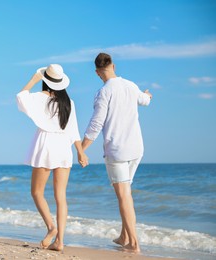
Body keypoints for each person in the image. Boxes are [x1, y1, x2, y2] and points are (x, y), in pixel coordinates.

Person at [82, 53, 152, 253]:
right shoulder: (130, 85)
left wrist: (81, 149)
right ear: (113, 65)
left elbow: (96, 124)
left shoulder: (103, 92)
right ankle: (124, 236)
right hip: (136, 148)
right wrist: (147, 95)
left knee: (123, 196)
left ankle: (134, 244)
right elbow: (144, 100)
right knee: (126, 194)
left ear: (97, 72)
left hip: (117, 151)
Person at [17, 64, 87, 252]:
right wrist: (81, 152)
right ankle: (60, 241)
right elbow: (74, 131)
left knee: (37, 192)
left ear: (46, 81)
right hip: (64, 147)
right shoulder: (69, 103)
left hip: (47, 146)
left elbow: (20, 97)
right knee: (60, 196)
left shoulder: (40, 98)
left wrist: (35, 78)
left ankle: (51, 227)